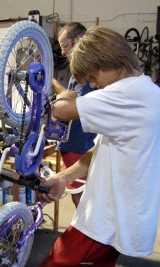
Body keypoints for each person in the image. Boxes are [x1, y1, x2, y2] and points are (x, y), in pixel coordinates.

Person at [28, 26, 160, 267]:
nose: (91, 84)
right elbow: (101, 149)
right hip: (118, 217)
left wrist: (67, 92)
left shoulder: (126, 96)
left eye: (91, 76)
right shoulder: (148, 90)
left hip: (105, 222)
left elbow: (61, 110)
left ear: (106, 62)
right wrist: (63, 177)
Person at [52, 22, 96, 207]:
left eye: (65, 46)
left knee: (80, 193)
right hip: (73, 141)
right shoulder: (77, 71)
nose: (62, 52)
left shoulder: (85, 72)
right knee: (76, 190)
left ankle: (85, 231)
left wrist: (52, 82)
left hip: (78, 143)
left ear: (78, 40)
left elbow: (72, 106)